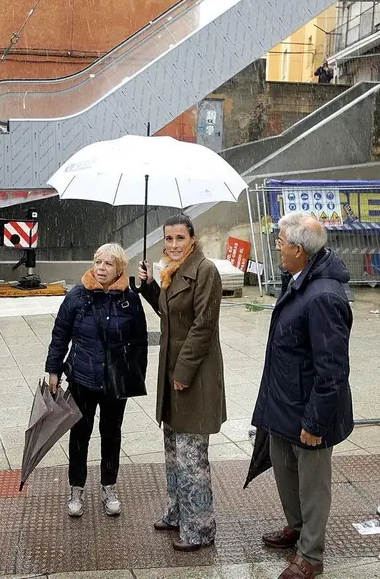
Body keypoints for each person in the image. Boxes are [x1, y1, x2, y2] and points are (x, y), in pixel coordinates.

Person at [253, 212, 354, 579]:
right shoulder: (297, 279)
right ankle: (296, 529)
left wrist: (315, 422)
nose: (277, 247)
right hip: (284, 405)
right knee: (285, 470)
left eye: (280, 242)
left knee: (312, 485)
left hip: (309, 411)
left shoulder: (324, 297)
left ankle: (311, 555)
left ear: (298, 249)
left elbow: (332, 371)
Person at [138, 214, 226, 552]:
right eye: (169, 239)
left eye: (180, 238)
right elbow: (171, 315)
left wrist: (183, 372)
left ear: (192, 238)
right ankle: (177, 513)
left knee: (192, 458)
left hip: (194, 378)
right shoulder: (171, 273)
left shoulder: (206, 272)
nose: (173, 245)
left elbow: (203, 325)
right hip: (173, 378)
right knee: (174, 452)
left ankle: (201, 528)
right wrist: (149, 287)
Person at [46, 243, 148, 518]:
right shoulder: (77, 296)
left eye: (108, 264)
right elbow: (60, 334)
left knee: (111, 434)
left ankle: (109, 485)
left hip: (116, 380)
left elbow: (140, 341)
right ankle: (76, 487)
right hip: (81, 377)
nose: (101, 268)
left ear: (119, 269)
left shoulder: (129, 299)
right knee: (79, 435)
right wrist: (53, 370)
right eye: (98, 262)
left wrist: (135, 377)